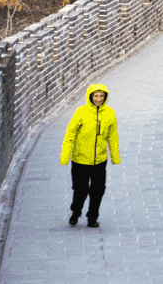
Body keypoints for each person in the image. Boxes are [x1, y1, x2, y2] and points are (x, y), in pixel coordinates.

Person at [59, 83, 120, 228]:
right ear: (90, 97)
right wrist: (65, 156)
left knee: (98, 191)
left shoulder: (110, 113)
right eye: (96, 96)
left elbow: (112, 137)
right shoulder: (81, 112)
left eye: (101, 96)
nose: (98, 99)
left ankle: (92, 217)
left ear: (105, 97)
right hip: (80, 160)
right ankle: (76, 212)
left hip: (99, 160)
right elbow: (70, 134)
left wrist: (115, 157)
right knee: (81, 190)